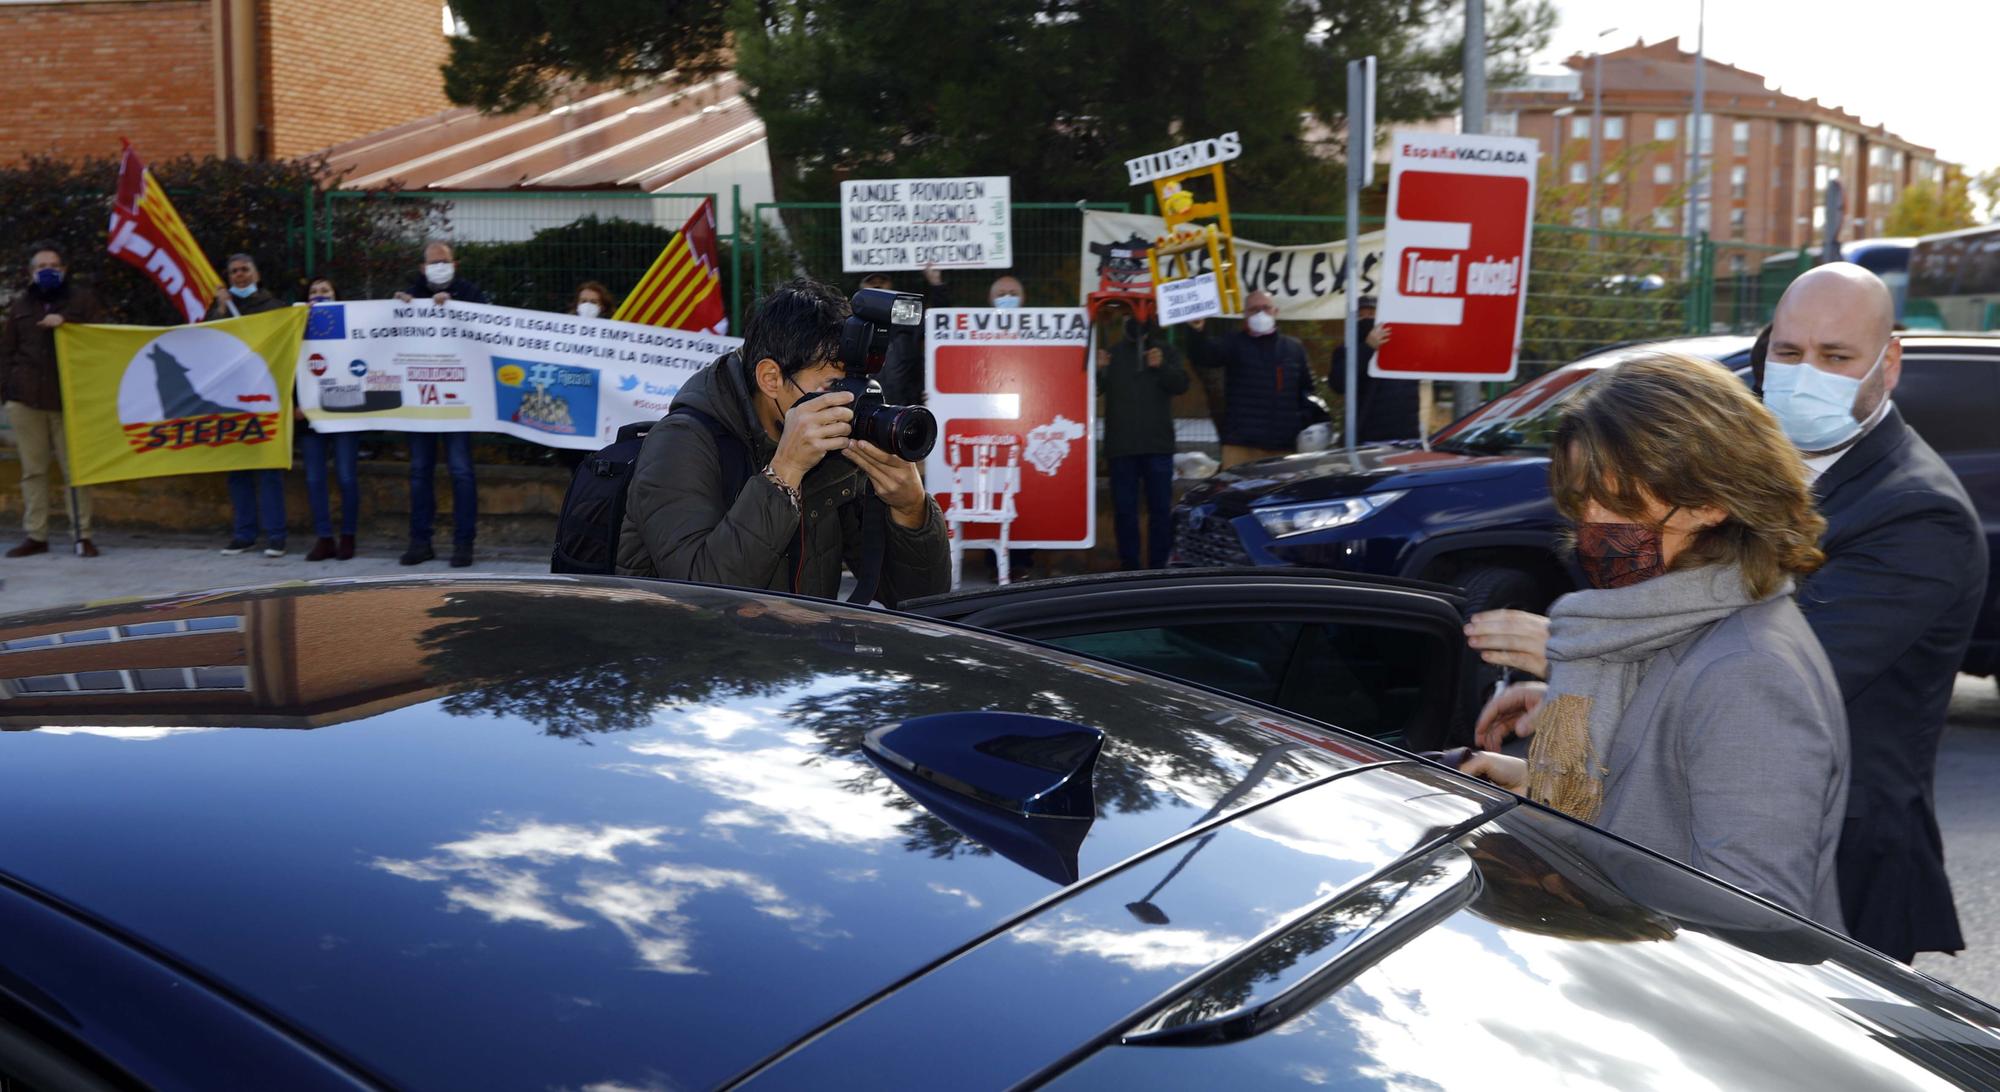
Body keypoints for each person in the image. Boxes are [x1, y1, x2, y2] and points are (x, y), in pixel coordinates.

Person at [1470, 265, 1987, 961]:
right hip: (1673, 877)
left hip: (1834, 862)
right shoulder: (1722, 472)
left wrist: (1567, 651)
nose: (1808, 375)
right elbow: (1679, 689)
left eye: (1836, 357)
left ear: (1886, 363)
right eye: (1790, 352)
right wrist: (1553, 755)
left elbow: (1751, 680)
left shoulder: (1918, 513)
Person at [1459, 353, 1848, 927]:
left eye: (1615, 499)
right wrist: (1530, 781)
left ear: (1711, 501)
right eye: (1580, 498)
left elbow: (1754, 915)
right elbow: (1663, 790)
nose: (1591, 522)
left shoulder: (1748, 669)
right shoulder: (1659, 627)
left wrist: (1563, 840)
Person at [615, 278, 950, 603]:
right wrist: (785, 472)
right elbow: (703, 595)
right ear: (771, 379)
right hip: (689, 654)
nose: (849, 402)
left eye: (857, 385)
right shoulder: (680, 444)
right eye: (832, 387)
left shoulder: (835, 451)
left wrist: (910, 510)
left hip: (798, 655)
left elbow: (917, 601)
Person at [1, 242, 106, 558]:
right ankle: (36, 535)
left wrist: (67, 323)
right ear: (31, 273)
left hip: (69, 401)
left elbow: (101, 339)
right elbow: (6, 353)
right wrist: (8, 392)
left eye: (53, 265)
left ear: (64, 270)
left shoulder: (82, 301)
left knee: (76, 470)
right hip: (26, 400)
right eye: (40, 267)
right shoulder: (20, 306)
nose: (47, 271)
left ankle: (82, 535)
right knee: (33, 471)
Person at [394, 241, 486, 567]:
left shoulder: (471, 294)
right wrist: (401, 308)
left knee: (461, 472)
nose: (438, 266)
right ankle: (420, 542)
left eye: (443, 261)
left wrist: (457, 306)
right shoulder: (409, 296)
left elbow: (487, 329)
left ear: (454, 264)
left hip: (458, 402)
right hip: (420, 406)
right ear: (422, 268)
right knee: (419, 472)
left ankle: (464, 544)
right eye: (433, 262)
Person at [207, 254, 291, 558]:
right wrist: (219, 309)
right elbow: (207, 341)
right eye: (234, 272)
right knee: (237, 469)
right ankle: (244, 534)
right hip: (230, 400)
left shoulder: (275, 308)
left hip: (265, 397)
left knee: (269, 468)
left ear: (256, 274)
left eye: (245, 270)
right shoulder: (220, 309)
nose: (240, 276)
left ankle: (276, 536)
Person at [1096, 302, 1188, 569]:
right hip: (1121, 448)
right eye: (1130, 315)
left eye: (1142, 315)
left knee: (1161, 511)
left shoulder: (1166, 351)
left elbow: (1180, 384)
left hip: (1158, 446)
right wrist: (1099, 368)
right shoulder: (1111, 354)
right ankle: (1130, 567)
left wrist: (1161, 367)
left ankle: (1158, 567)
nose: (1137, 320)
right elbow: (1093, 390)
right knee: (1125, 512)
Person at [1186, 291, 1317, 467]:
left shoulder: (1294, 348)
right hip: (1241, 446)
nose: (1261, 314)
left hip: (1283, 446)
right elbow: (1204, 356)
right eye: (1254, 309)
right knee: (1236, 493)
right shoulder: (1233, 343)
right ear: (1245, 314)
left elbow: (1307, 391)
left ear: (1275, 312)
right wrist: (1196, 331)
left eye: (1266, 308)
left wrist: (1300, 424)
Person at [299, 278, 359, 561]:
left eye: (325, 291)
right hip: (310, 414)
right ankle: (324, 538)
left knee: (347, 477)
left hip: (345, 413)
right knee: (314, 479)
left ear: (337, 295)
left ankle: (348, 536)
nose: (319, 295)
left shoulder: (356, 323)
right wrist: (295, 404)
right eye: (314, 292)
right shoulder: (295, 325)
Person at [1327, 295, 1415, 442]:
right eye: (1360, 316)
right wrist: (1367, 348)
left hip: (1404, 437)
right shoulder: (1346, 349)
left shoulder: (1404, 348)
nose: (1367, 319)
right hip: (1364, 438)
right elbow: (1338, 384)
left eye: (1372, 314)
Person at [864, 264, 945, 406]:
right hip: (869, 405)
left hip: (907, 404)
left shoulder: (908, 316)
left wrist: (936, 284)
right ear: (862, 286)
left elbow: (938, 323)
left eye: (882, 281)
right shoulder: (853, 321)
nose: (877, 285)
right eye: (871, 281)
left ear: (891, 285)